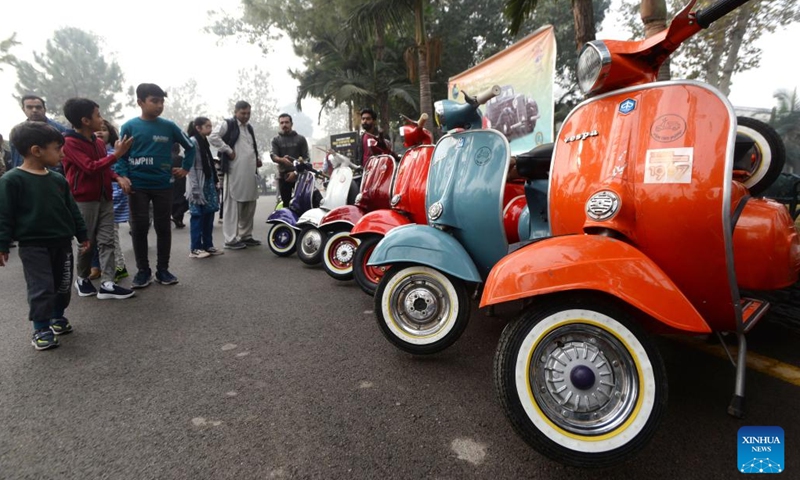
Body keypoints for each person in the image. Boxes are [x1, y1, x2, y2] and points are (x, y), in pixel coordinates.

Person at [0, 122, 90, 350]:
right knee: (41, 287)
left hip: (62, 243)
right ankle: (41, 328)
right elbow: (4, 215)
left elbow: (71, 210)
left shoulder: (58, 180)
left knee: (62, 285)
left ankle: (57, 317)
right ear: (36, 150)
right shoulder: (11, 180)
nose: (62, 153)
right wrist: (2, 245)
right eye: (57, 148)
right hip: (33, 245)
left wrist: (82, 234)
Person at [116, 83, 195, 288]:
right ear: (140, 102)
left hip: (163, 185)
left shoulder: (169, 126)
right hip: (137, 187)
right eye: (154, 101)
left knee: (163, 228)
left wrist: (185, 168)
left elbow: (190, 146)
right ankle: (143, 271)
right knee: (140, 228)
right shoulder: (129, 127)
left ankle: (163, 270)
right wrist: (123, 177)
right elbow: (121, 157)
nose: (159, 105)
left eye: (162, 101)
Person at [62, 98, 135, 301]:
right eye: (97, 115)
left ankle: (108, 283)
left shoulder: (99, 142)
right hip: (84, 200)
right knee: (87, 242)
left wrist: (117, 177)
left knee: (107, 240)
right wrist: (117, 154)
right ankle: (82, 278)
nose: (101, 119)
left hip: (105, 197)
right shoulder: (69, 143)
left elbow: (104, 168)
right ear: (85, 120)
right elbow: (90, 167)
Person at [209, 101, 262, 250]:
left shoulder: (249, 128)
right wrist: (228, 150)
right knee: (232, 204)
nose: (245, 116)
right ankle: (230, 239)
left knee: (250, 203)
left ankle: (246, 235)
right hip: (234, 171)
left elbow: (250, 147)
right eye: (243, 113)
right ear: (236, 112)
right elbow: (213, 137)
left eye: (248, 113)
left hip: (249, 172)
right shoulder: (228, 124)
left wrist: (256, 159)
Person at [97, 120, 131, 282]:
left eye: (103, 129)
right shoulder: (93, 152)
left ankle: (118, 266)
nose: (99, 132)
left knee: (110, 235)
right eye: (97, 130)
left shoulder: (115, 152)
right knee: (105, 236)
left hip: (113, 198)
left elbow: (119, 172)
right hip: (98, 198)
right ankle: (114, 266)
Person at [185, 117, 223, 258]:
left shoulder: (204, 142)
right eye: (207, 126)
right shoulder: (193, 142)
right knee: (197, 215)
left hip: (207, 181)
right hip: (197, 182)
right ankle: (195, 248)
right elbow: (191, 166)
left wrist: (214, 180)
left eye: (210, 126)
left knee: (208, 214)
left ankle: (208, 245)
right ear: (198, 127)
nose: (210, 129)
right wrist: (195, 187)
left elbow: (209, 163)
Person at [10, 95, 68, 172]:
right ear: (23, 109)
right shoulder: (18, 133)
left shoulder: (59, 129)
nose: (34, 110)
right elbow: (15, 159)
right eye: (29, 107)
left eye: (38, 107)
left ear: (44, 109)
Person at [270, 113, 309, 208]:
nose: (284, 125)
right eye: (282, 123)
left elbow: (306, 158)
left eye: (286, 122)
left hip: (299, 176)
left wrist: (296, 173)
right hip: (284, 177)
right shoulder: (275, 140)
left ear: (291, 124)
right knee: (286, 204)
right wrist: (281, 160)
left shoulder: (301, 139)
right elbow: (273, 155)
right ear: (279, 124)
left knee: (303, 203)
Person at [171, 143, 189, 228]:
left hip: (171, 182)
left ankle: (176, 217)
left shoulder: (167, 158)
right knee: (183, 201)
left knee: (173, 201)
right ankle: (178, 218)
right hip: (181, 182)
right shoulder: (181, 159)